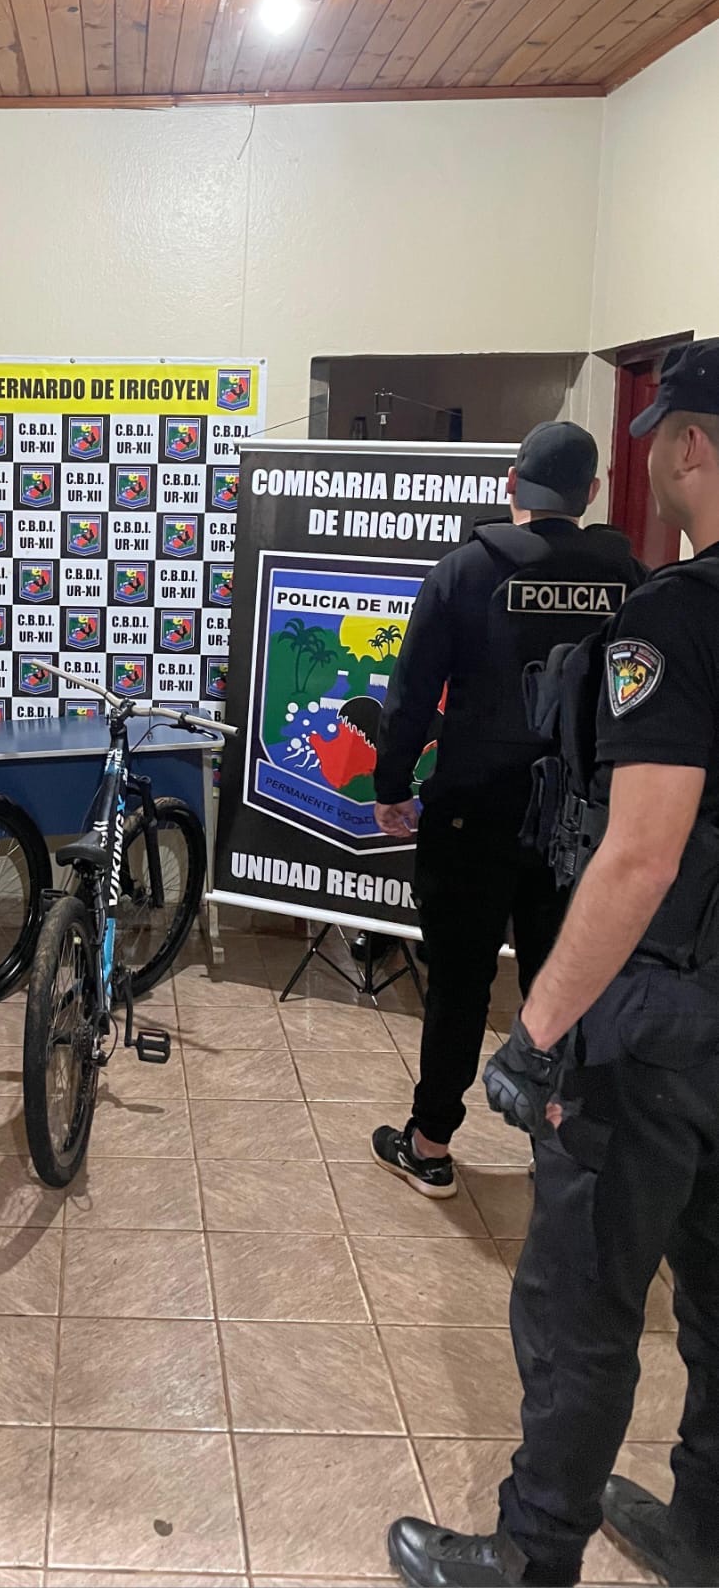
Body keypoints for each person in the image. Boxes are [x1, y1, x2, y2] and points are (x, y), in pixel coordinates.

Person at [387, 338, 719, 1587]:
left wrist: (532, 1042)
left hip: (634, 976)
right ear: (580, 490)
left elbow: (639, 855)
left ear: (690, 443)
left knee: (578, 1304)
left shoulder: (658, 606)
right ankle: (702, 1527)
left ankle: (529, 1557)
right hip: (627, 926)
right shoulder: (623, 574)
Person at [370, 422, 644, 1197]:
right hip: (583, 828)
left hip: (472, 817)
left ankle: (429, 1145)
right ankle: (560, 1153)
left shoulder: (464, 571)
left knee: (458, 985)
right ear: (591, 493)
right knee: (568, 984)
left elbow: (411, 697)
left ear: (511, 484)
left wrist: (391, 787)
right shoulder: (633, 580)